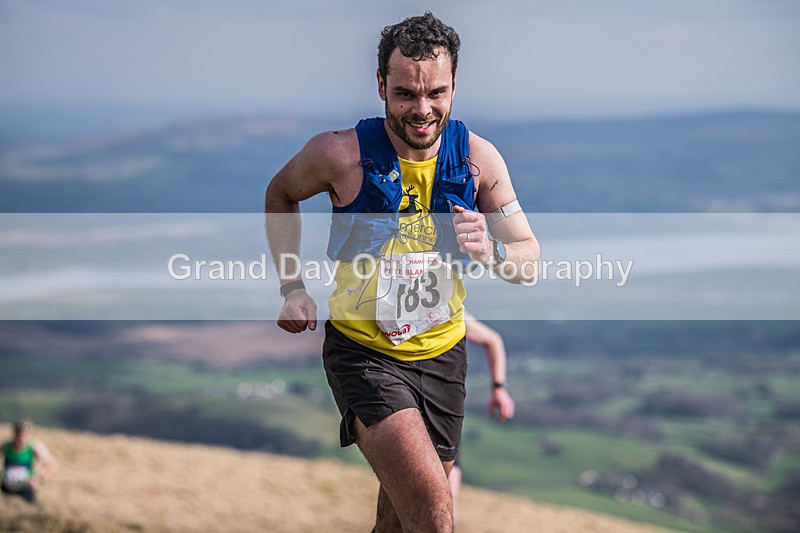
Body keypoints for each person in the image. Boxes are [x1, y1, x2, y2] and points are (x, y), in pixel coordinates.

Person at [265, 12, 539, 532]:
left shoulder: (479, 160)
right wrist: (292, 286)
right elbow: (279, 193)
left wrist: (494, 255)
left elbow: (529, 258)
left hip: (444, 356)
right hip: (365, 356)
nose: (422, 109)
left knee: (399, 524)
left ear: (454, 85)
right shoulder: (339, 154)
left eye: (436, 92)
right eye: (405, 94)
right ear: (380, 86)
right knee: (436, 518)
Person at [448, 313, 516, 521]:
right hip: (410, 405)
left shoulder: (444, 305)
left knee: (446, 502)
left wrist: (499, 388)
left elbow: (492, 339)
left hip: (445, 412)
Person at [2, 419, 58, 504]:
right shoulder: (6, 445)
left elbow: (51, 464)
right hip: (6, 487)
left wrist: (39, 480)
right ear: (14, 433)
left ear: (28, 434)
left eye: (24, 434)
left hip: (26, 489)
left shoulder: (34, 446)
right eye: (19, 433)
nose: (21, 437)